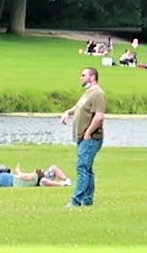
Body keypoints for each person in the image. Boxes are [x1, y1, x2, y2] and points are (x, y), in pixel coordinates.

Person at [60, 67, 106, 207]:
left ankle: (76, 200)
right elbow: (79, 107)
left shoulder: (98, 94)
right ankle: (87, 200)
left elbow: (99, 116)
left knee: (82, 168)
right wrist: (67, 112)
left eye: (83, 75)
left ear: (92, 77)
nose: (80, 77)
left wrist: (88, 132)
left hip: (90, 138)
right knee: (87, 169)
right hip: (82, 137)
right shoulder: (88, 93)